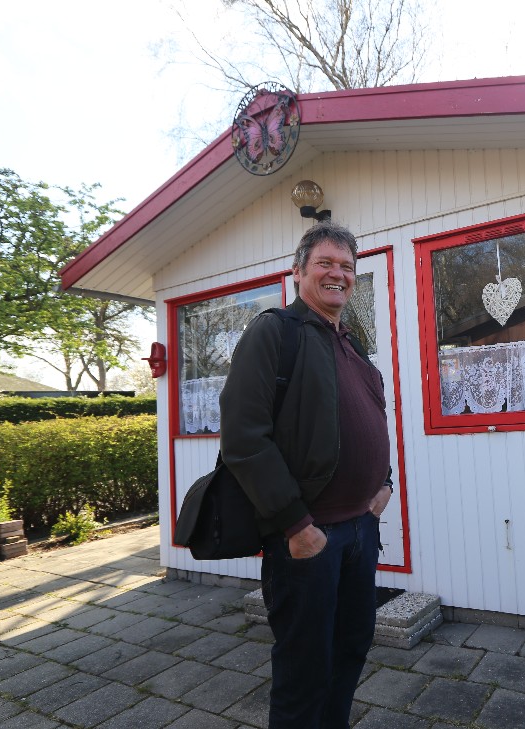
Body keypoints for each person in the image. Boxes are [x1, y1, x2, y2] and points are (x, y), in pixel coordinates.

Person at [219, 221, 393, 727]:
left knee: (351, 647)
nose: (338, 274)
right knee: (305, 669)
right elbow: (244, 438)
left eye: (347, 266)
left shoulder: (353, 345)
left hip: (360, 531)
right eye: (325, 263)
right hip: (308, 539)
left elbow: (371, 420)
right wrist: (296, 525)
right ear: (298, 272)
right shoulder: (276, 332)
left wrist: (385, 483)